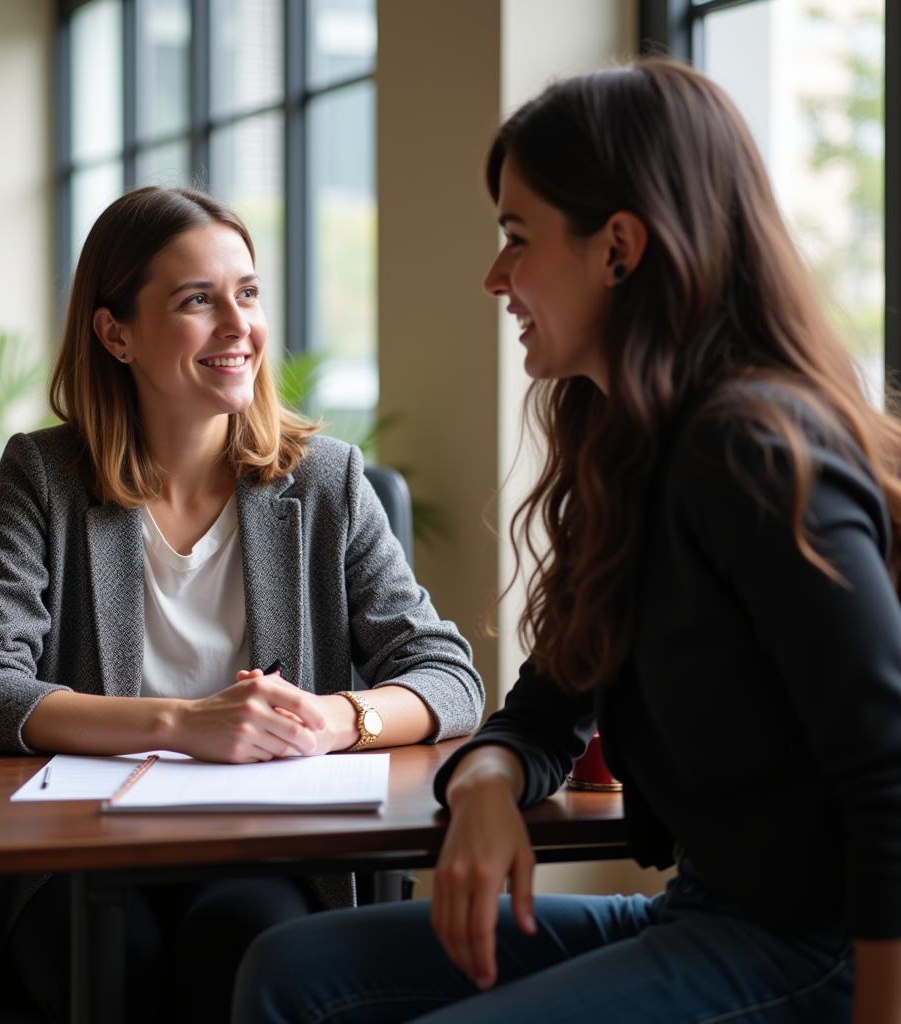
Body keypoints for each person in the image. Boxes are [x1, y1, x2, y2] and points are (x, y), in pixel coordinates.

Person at [231, 58, 901, 1023]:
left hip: (810, 949)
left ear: (619, 247)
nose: (494, 276)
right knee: (289, 973)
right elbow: (546, 712)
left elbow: (886, 772)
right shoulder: (629, 450)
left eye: (516, 237)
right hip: (705, 914)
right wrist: (491, 783)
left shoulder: (750, 447)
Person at [0, 185, 484, 1024]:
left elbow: (447, 675)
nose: (238, 326)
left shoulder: (326, 482)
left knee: (247, 940)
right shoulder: (46, 478)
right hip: (79, 848)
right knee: (111, 953)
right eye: (196, 301)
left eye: (247, 294)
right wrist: (182, 725)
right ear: (115, 333)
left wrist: (333, 720)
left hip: (262, 843)